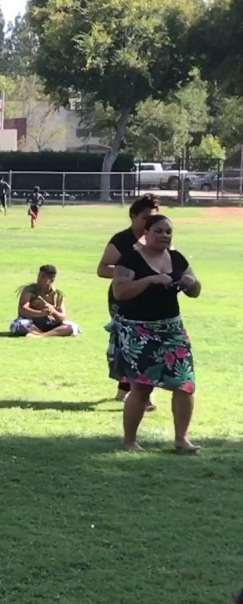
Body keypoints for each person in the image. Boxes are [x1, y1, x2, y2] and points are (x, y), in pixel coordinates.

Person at [111, 214, 200, 453]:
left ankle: (182, 439)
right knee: (141, 386)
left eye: (168, 232)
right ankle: (130, 441)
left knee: (184, 384)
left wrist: (191, 282)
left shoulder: (177, 258)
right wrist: (150, 280)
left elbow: (196, 290)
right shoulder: (130, 259)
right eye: (158, 231)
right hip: (139, 330)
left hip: (171, 329)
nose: (164, 235)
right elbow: (120, 292)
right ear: (146, 233)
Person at [97, 194, 160, 408]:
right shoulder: (121, 241)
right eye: (145, 218)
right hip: (123, 300)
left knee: (148, 346)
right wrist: (131, 273)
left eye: (153, 218)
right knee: (130, 345)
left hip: (152, 300)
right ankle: (141, 395)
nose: (149, 223)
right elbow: (103, 269)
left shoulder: (157, 238)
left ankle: (127, 390)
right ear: (133, 216)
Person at [10, 265, 81, 338]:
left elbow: (63, 317)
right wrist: (41, 313)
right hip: (31, 322)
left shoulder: (58, 296)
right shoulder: (29, 290)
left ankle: (41, 335)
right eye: (39, 276)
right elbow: (22, 310)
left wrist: (53, 311)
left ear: (51, 280)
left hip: (48, 323)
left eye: (43, 277)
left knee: (73, 327)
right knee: (19, 325)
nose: (39, 279)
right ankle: (40, 332)